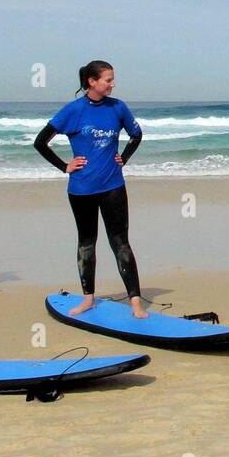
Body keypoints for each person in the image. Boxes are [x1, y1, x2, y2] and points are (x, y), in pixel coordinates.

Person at [34, 61, 144, 318]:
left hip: (113, 186)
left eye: (112, 79)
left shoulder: (118, 107)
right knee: (87, 243)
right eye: (108, 79)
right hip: (81, 188)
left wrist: (123, 157)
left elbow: (136, 135)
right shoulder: (73, 110)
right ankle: (88, 299)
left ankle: (135, 301)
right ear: (92, 81)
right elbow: (40, 142)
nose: (113, 84)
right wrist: (65, 166)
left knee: (120, 242)